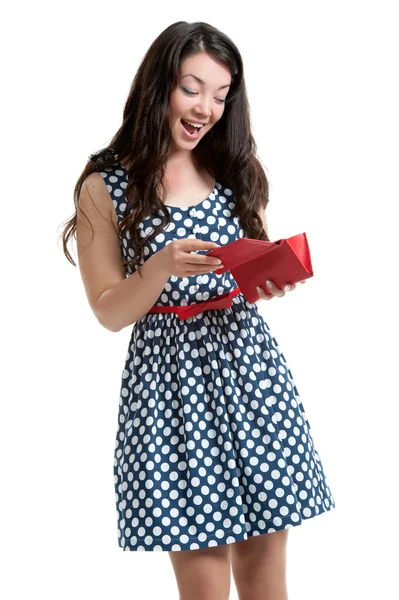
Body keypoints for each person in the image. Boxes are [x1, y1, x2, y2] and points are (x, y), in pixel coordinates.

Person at [60, 21, 335, 600]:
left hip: (249, 376)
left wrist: (263, 281)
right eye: (192, 88)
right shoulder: (105, 187)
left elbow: (241, 267)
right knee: (203, 583)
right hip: (170, 392)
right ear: (158, 85)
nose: (206, 107)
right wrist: (159, 267)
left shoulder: (233, 169)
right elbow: (109, 311)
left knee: (266, 577)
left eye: (220, 94)